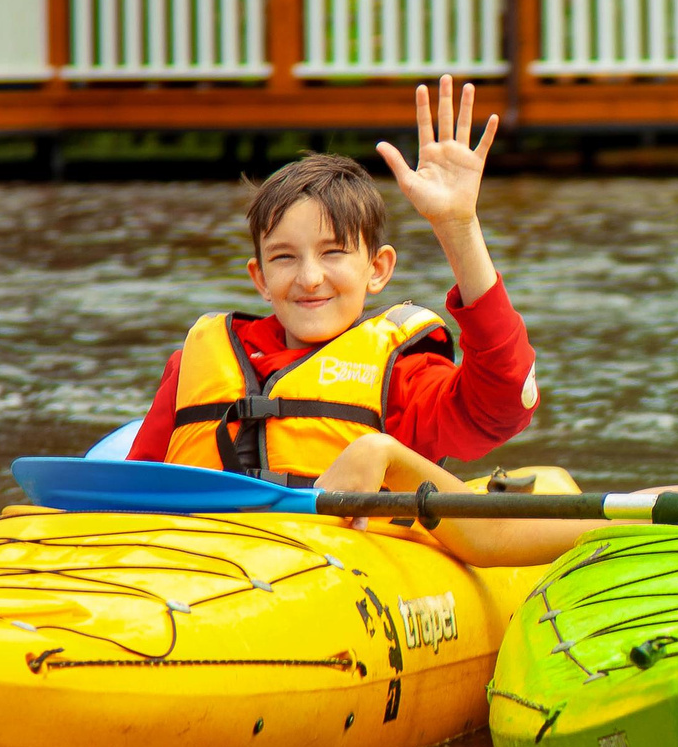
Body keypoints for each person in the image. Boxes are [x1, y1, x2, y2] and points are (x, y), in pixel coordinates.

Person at [126, 77, 573, 566]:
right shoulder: (196, 362)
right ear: (259, 277)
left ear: (377, 268)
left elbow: (504, 405)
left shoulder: (404, 375)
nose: (310, 278)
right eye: (284, 258)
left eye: (334, 252)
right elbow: (133, 493)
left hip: (340, 574)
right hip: (204, 565)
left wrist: (457, 227)